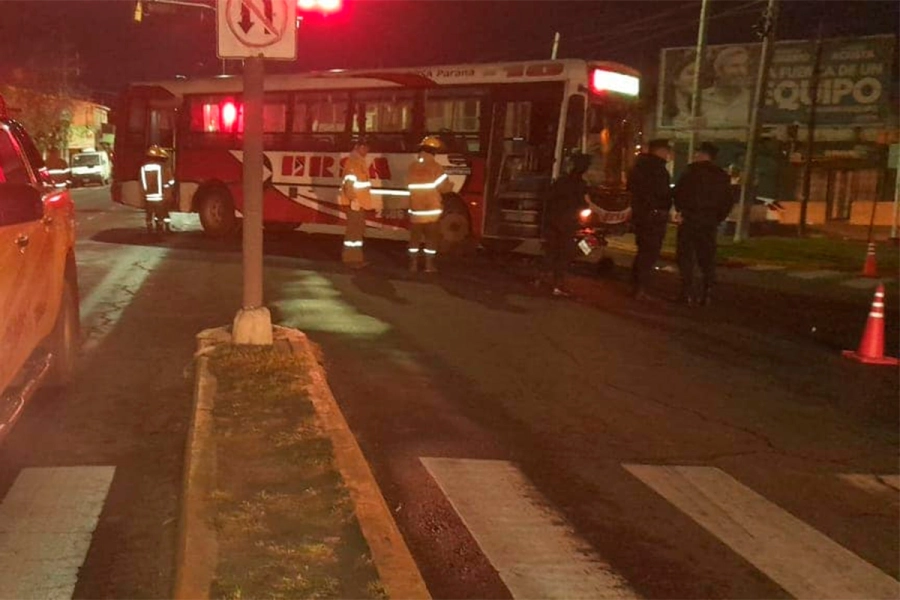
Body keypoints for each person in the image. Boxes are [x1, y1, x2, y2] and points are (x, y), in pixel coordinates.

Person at [673, 141, 734, 306]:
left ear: (702, 154)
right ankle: (707, 292)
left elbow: (679, 193)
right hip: (709, 222)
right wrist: (717, 218)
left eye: (697, 153)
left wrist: (682, 211)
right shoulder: (721, 175)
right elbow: (728, 201)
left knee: (685, 256)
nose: (695, 155)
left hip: (690, 219)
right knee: (707, 258)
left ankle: (687, 292)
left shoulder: (691, 172)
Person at [543, 152, 593, 297]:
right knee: (564, 253)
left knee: (553, 251)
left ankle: (545, 278)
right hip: (567, 223)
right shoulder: (580, 184)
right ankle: (558, 284)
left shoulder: (562, 181)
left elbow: (550, 198)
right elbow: (583, 204)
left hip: (554, 220)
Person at [628, 139, 673, 299]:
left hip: (642, 215)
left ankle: (637, 285)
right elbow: (661, 194)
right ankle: (641, 288)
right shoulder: (657, 170)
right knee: (649, 253)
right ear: (660, 151)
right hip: (653, 217)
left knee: (643, 251)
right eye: (667, 151)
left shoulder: (639, 166)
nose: (668, 155)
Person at [406, 136, 452, 273]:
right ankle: (428, 265)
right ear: (433, 152)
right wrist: (450, 186)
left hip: (416, 212)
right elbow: (444, 188)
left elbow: (409, 185)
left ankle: (413, 265)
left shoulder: (412, 167)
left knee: (414, 241)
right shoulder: (436, 167)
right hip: (431, 213)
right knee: (431, 240)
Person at [339, 138, 375, 268]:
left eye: (368, 149)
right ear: (358, 147)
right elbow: (349, 184)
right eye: (364, 148)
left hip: (359, 203)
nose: (366, 151)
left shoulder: (359, 162)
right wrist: (353, 200)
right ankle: (351, 259)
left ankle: (356, 258)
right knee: (354, 231)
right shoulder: (353, 163)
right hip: (355, 203)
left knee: (358, 230)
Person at [701, 46, 752, 127]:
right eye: (735, 66)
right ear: (719, 70)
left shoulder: (753, 99)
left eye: (745, 66)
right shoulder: (700, 98)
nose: (742, 71)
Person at [139, 145, 174, 233]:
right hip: (160, 197)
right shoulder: (163, 167)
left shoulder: (143, 168)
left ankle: (150, 230)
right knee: (160, 214)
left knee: (149, 215)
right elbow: (170, 181)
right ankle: (161, 230)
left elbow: (142, 182)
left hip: (148, 196)